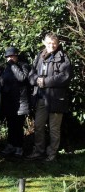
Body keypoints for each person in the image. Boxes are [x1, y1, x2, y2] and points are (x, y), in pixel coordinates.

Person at [27, 33, 72, 162]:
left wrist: (45, 82)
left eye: (54, 43)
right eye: (48, 43)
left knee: (54, 129)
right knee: (39, 126)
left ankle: (52, 154)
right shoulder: (39, 56)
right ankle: (39, 151)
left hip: (57, 99)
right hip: (41, 98)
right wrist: (37, 80)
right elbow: (31, 74)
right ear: (44, 42)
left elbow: (65, 77)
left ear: (58, 44)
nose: (51, 45)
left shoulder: (63, 57)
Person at [0, 47, 30, 158]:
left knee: (18, 125)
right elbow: (2, 83)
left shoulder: (24, 66)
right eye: (8, 57)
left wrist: (12, 65)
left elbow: (22, 78)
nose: (10, 59)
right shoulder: (4, 68)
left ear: (17, 56)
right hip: (9, 101)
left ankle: (19, 147)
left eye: (12, 56)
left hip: (21, 101)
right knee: (11, 125)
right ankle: (11, 145)